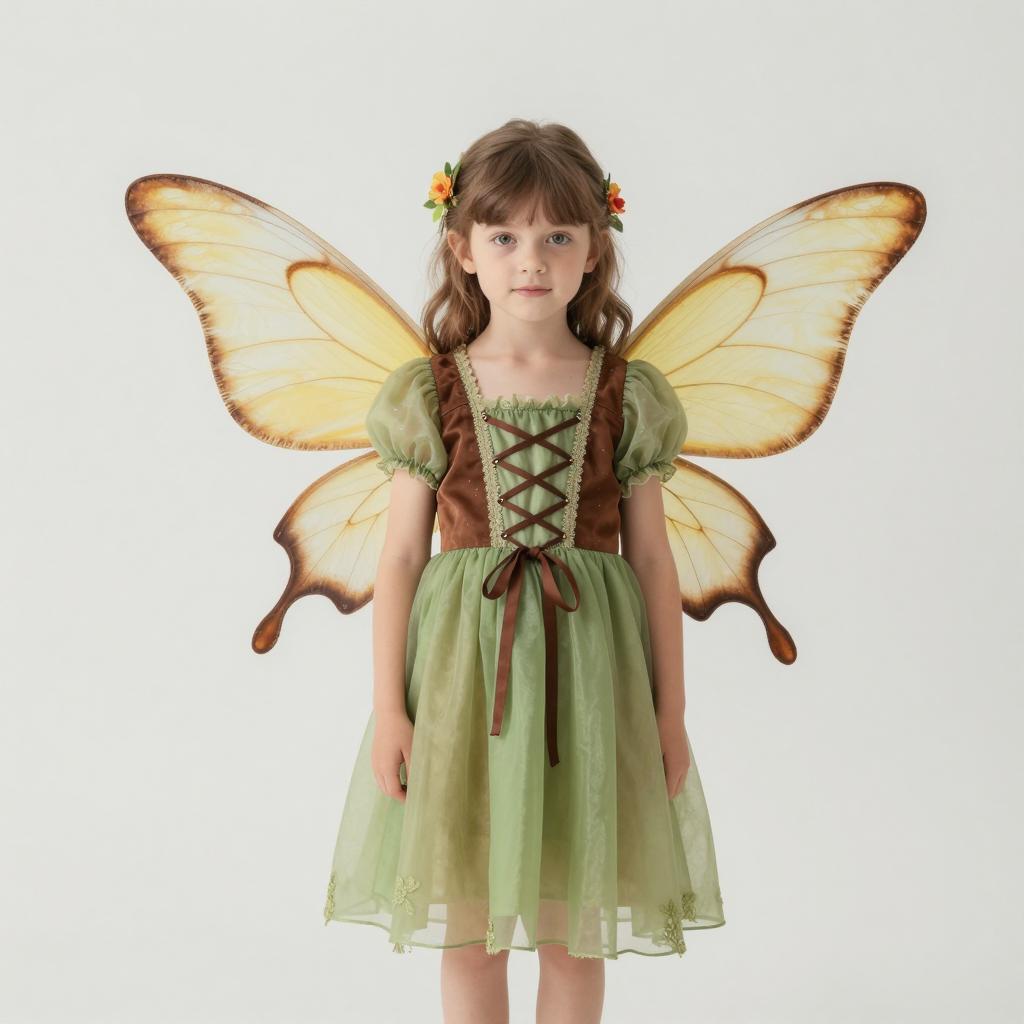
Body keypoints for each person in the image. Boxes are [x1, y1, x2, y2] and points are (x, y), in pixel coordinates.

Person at [322, 118, 724, 1024]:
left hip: (590, 684)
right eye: (504, 237)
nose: (531, 260)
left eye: (558, 237)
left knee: (572, 929)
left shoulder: (626, 393)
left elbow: (652, 560)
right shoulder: (431, 391)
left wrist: (669, 712)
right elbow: (400, 556)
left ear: (595, 247)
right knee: (470, 931)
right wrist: (390, 709)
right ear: (462, 249)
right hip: (465, 685)